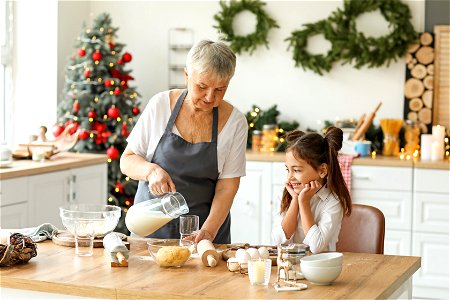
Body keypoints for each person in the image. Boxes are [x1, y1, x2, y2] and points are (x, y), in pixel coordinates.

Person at [120, 40, 248, 244]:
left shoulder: (235, 122)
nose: (209, 97)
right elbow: (127, 161)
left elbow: (227, 186)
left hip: (203, 237)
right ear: (187, 75)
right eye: (202, 86)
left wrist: (208, 232)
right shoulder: (160, 105)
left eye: (220, 89)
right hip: (151, 232)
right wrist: (151, 171)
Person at [272, 127, 352, 253]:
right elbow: (277, 242)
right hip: (289, 268)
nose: (290, 177)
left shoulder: (333, 202)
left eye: (297, 170)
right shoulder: (286, 196)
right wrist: (295, 201)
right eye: (288, 170)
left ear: (322, 171)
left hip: (321, 269)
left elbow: (315, 247)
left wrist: (303, 203)